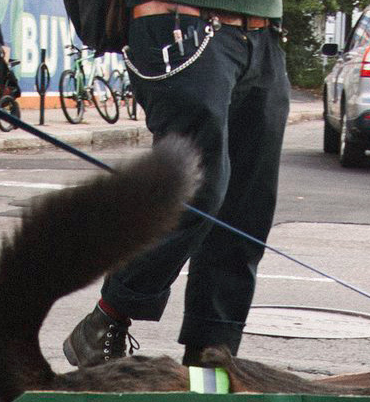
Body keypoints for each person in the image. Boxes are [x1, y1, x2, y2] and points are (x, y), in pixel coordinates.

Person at [61, 0, 289, 369]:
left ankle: (211, 355)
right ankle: (109, 316)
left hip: (263, 35)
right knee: (196, 188)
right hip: (183, 26)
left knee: (246, 209)